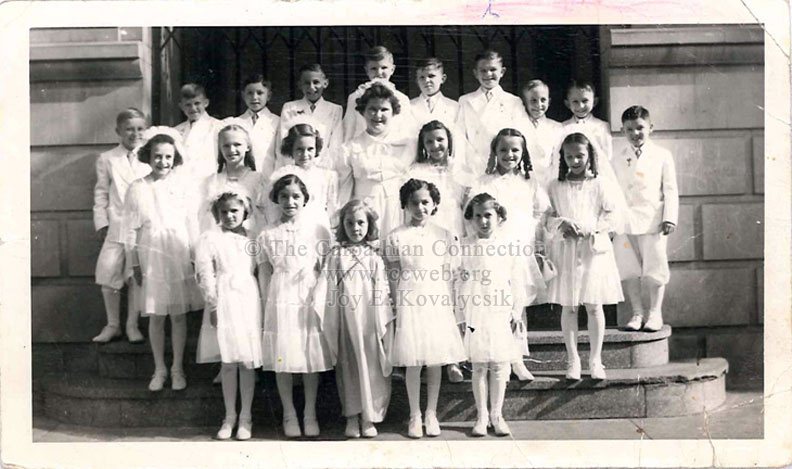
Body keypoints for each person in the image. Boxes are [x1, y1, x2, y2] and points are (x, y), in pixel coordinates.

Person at [122, 129, 204, 391]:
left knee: (178, 315)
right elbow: (129, 229)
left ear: (175, 158)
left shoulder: (182, 186)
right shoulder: (138, 188)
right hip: (150, 254)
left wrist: (194, 256)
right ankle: (160, 368)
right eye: (158, 156)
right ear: (148, 157)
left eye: (168, 157)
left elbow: (191, 224)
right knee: (156, 315)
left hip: (177, 251)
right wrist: (134, 262)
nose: (163, 162)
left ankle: (178, 368)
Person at [384, 179, 466, 439]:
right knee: (413, 360)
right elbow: (393, 273)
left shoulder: (443, 235)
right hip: (410, 298)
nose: (420, 207)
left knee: (434, 359)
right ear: (405, 205)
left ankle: (431, 413)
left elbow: (449, 274)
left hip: (436, 296)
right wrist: (397, 305)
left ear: (434, 204)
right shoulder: (396, 236)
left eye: (425, 202)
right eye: (414, 203)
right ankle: (414, 414)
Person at [256, 173, 335, 438]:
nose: (290, 201)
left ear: (305, 199)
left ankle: (309, 413)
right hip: (280, 297)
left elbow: (327, 268)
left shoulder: (317, 229)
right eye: (284, 197)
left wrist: (321, 297)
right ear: (276, 199)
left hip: (309, 295)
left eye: (296, 196)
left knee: (309, 354)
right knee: (283, 355)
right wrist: (267, 304)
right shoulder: (267, 233)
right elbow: (264, 272)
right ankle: (289, 413)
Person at [467, 128, 548, 381]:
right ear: (494, 152)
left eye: (515, 150)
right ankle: (490, 356)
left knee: (517, 302)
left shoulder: (529, 181)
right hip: (492, 250)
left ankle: (517, 357)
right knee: (492, 303)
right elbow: (472, 213)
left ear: (523, 153)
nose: (509, 155)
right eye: (503, 150)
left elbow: (540, 212)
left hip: (519, 247)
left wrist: (533, 240)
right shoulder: (483, 182)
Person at [545, 132, 624, 381]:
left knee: (593, 305)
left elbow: (614, 216)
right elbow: (546, 217)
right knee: (569, 307)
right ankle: (573, 360)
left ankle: (595, 359)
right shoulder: (555, 186)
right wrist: (562, 224)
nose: (575, 161)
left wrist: (592, 228)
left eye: (580, 155)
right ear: (563, 158)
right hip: (567, 249)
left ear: (589, 156)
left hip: (593, 250)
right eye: (569, 156)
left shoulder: (600, 184)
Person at [458, 192, 532, 437]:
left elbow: (517, 281)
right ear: (471, 219)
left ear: (499, 217)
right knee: (479, 365)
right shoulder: (464, 246)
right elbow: (458, 282)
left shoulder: (508, 246)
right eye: (477, 216)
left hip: (500, 307)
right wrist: (461, 315)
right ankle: (481, 416)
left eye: (488, 215)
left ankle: (497, 414)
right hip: (475, 309)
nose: (483, 221)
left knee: (500, 364)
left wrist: (516, 311)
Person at [194, 190, 263, 441]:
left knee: (246, 360)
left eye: (234, 210)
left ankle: (246, 417)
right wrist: (213, 305)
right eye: (224, 212)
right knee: (228, 361)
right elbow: (205, 273)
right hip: (224, 299)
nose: (230, 215)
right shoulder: (210, 238)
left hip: (248, 299)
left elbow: (259, 272)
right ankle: (229, 416)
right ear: (217, 214)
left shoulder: (254, 238)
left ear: (245, 212)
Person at [327, 199, 395, 439]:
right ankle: (351, 415)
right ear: (342, 226)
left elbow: (382, 289)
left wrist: (381, 318)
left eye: (360, 223)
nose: (355, 228)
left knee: (371, 364)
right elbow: (329, 289)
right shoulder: (336, 256)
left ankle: (369, 415)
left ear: (369, 225)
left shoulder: (374, 257)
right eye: (350, 223)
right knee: (349, 365)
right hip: (346, 318)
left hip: (369, 317)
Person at [612, 105, 678, 332]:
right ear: (623, 131)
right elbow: (613, 190)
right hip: (625, 220)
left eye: (640, 128)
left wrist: (670, 217)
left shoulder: (662, 155)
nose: (635, 133)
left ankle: (654, 313)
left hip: (653, 221)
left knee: (655, 268)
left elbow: (670, 189)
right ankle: (637, 313)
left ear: (650, 128)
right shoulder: (618, 156)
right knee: (629, 268)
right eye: (629, 129)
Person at [92, 107, 151, 343]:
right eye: (129, 129)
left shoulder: (148, 157)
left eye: (139, 129)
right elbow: (101, 193)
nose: (134, 134)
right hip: (115, 225)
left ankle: (131, 325)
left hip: (140, 227)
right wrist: (102, 222)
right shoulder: (107, 158)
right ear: (118, 131)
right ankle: (112, 324)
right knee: (108, 273)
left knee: (134, 275)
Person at [337, 82, 416, 242]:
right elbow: (344, 190)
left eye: (384, 109)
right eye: (372, 109)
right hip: (365, 210)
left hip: (397, 208)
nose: (377, 115)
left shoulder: (408, 144)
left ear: (394, 112)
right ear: (363, 112)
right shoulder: (350, 148)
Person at [456, 50, 526, 177]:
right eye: (483, 70)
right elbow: (459, 137)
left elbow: (519, 138)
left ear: (502, 72)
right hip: (472, 166)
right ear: (475, 73)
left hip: (502, 164)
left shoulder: (513, 101)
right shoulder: (465, 100)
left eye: (493, 69)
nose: (488, 74)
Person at [261, 124, 338, 229]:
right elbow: (272, 209)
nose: (305, 154)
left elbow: (333, 211)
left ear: (317, 149)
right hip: (290, 227)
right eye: (299, 149)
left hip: (318, 227)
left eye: (310, 149)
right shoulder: (283, 175)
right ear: (291, 149)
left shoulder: (327, 176)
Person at [197, 122, 266, 234]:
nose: (231, 150)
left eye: (237, 145)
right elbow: (204, 219)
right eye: (226, 145)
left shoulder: (258, 180)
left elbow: (264, 217)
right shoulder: (212, 182)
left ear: (247, 146)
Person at [342, 45, 415, 142]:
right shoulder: (355, 97)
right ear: (366, 70)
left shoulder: (402, 99)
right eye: (373, 68)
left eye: (384, 67)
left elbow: (407, 133)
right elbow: (348, 131)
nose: (379, 72)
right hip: (362, 150)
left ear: (392, 69)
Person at [278, 64, 344, 167]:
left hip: (323, 167)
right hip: (296, 165)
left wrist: (320, 167)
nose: (311, 87)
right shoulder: (290, 108)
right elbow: (284, 140)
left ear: (325, 83)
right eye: (306, 83)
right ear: (300, 85)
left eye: (316, 82)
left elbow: (335, 144)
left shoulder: (335, 110)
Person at [517, 79, 563, 185]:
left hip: (548, 182)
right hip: (523, 181)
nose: (539, 105)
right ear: (525, 102)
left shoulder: (557, 128)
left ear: (549, 101)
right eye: (533, 100)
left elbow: (557, 160)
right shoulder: (518, 126)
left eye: (543, 100)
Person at [175, 83, 222, 181]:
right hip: (183, 182)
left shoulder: (217, 126)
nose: (193, 108)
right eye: (188, 104)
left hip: (208, 181)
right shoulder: (177, 130)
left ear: (206, 103)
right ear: (181, 106)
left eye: (197, 103)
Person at [236, 74, 280, 178]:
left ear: (268, 96)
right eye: (250, 93)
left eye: (260, 93)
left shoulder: (277, 122)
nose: (254, 97)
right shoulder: (236, 122)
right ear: (243, 96)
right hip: (243, 178)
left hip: (269, 177)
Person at [562, 80, 613, 162]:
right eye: (575, 102)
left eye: (585, 101)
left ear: (594, 102)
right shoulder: (563, 127)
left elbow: (607, 156)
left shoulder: (601, 126)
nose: (580, 106)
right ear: (567, 104)